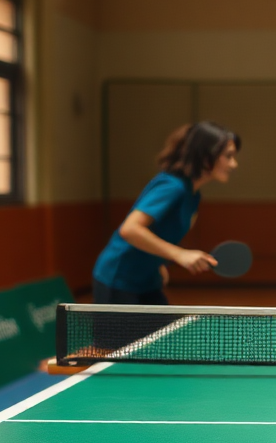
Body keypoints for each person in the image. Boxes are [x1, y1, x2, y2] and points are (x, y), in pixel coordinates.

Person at [92, 121, 240, 305]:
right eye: (228, 156)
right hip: (119, 280)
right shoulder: (172, 187)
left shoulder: (192, 195)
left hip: (147, 280)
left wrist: (159, 262)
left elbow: (161, 231)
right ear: (205, 156)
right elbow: (129, 229)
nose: (234, 164)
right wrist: (179, 254)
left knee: (163, 333)